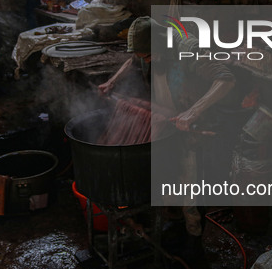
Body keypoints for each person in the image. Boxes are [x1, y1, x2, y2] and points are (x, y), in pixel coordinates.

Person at [99, 16, 237, 256]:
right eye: (143, 55)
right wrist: (112, 82)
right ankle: (174, 225)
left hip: (191, 125)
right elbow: (134, 60)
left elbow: (226, 79)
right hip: (167, 124)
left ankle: (194, 245)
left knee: (190, 187)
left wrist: (192, 113)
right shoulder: (147, 50)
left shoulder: (188, 49)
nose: (145, 60)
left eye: (149, 55)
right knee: (169, 178)